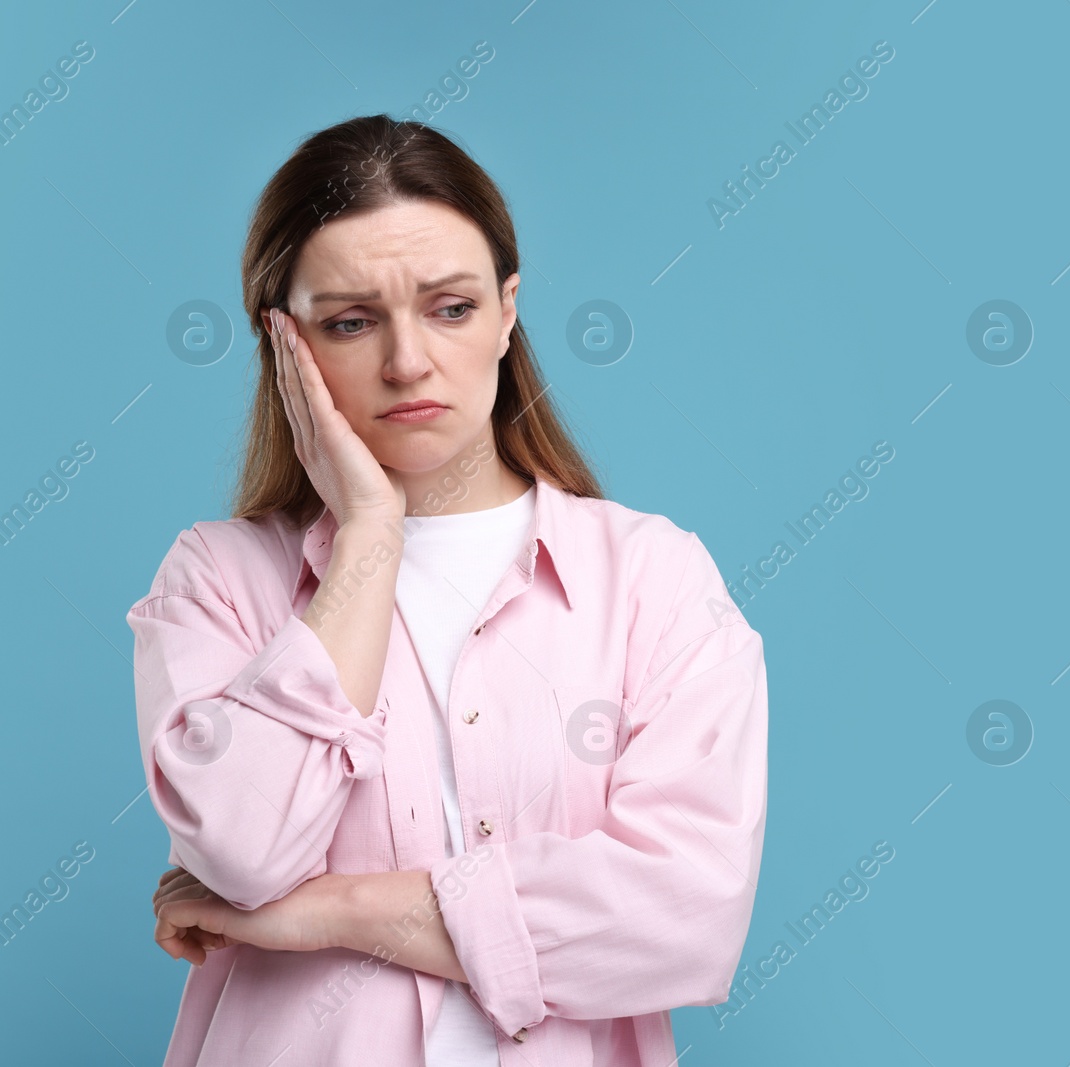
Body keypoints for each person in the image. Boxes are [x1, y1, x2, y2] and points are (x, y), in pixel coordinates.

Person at [126, 114, 768, 1067]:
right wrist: (369, 541)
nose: (407, 362)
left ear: (509, 311)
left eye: (451, 307)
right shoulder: (216, 580)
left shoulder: (654, 580)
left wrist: (323, 911)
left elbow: (688, 914)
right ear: (284, 342)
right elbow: (244, 850)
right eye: (350, 321)